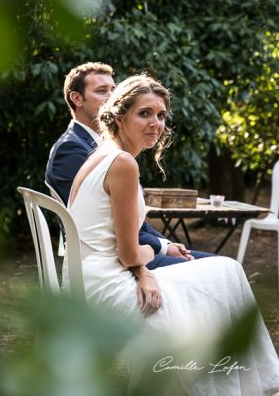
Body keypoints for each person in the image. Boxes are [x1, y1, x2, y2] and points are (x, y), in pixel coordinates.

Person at [66, 74, 279, 394]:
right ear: (120, 116)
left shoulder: (99, 155)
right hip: (104, 282)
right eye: (145, 113)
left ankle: (247, 383)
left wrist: (148, 264)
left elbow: (118, 241)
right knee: (226, 272)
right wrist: (152, 257)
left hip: (87, 274)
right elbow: (128, 253)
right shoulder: (123, 163)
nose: (155, 123)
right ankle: (251, 383)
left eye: (161, 115)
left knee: (223, 272)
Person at [45, 62, 211, 269]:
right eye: (102, 91)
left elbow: (129, 220)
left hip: (122, 252)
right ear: (77, 98)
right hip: (105, 260)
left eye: (113, 90)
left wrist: (165, 243)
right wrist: (153, 255)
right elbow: (96, 224)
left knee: (220, 267)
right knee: (223, 270)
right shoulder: (71, 149)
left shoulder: (108, 148)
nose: (111, 97)